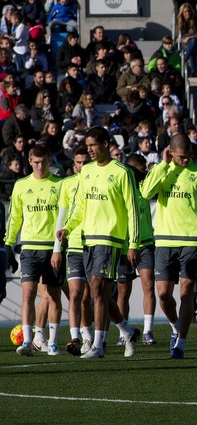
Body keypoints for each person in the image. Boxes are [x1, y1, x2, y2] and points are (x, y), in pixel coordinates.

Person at [57, 128, 140, 359]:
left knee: (95, 287)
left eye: (94, 144)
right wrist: (68, 227)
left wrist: (133, 244)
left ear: (106, 143)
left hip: (110, 239)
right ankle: (127, 330)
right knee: (100, 292)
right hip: (88, 239)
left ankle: (98, 346)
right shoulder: (87, 171)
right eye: (88, 145)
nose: (91, 149)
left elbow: (133, 210)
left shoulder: (122, 172)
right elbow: (80, 206)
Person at [140, 134, 197, 358]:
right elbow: (145, 192)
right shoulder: (163, 169)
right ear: (171, 152)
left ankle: (181, 343)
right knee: (164, 295)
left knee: (187, 293)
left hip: (193, 241)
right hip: (165, 241)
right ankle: (176, 327)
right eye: (181, 157)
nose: (186, 161)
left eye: (189, 157)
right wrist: (162, 165)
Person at [5, 145, 62, 356]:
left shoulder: (59, 185)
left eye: (44, 162)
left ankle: (53, 342)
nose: (40, 166)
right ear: (30, 161)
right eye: (36, 162)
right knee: (28, 294)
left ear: (49, 161)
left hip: (52, 248)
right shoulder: (21, 185)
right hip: (29, 248)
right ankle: (28, 342)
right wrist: (9, 243)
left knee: (53, 296)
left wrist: (60, 247)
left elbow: (64, 218)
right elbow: (15, 217)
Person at [53, 146, 93, 355]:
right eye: (79, 162)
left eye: (86, 162)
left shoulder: (97, 180)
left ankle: (115, 331)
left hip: (96, 243)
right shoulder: (67, 184)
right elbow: (62, 215)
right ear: (74, 164)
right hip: (74, 245)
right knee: (76, 294)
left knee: (91, 296)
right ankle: (76, 338)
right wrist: (57, 249)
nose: (82, 166)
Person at [117, 155, 157, 349]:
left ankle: (148, 330)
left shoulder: (145, 189)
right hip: (125, 246)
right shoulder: (122, 190)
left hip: (146, 243)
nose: (143, 174)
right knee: (123, 291)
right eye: (140, 171)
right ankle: (123, 331)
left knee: (148, 286)